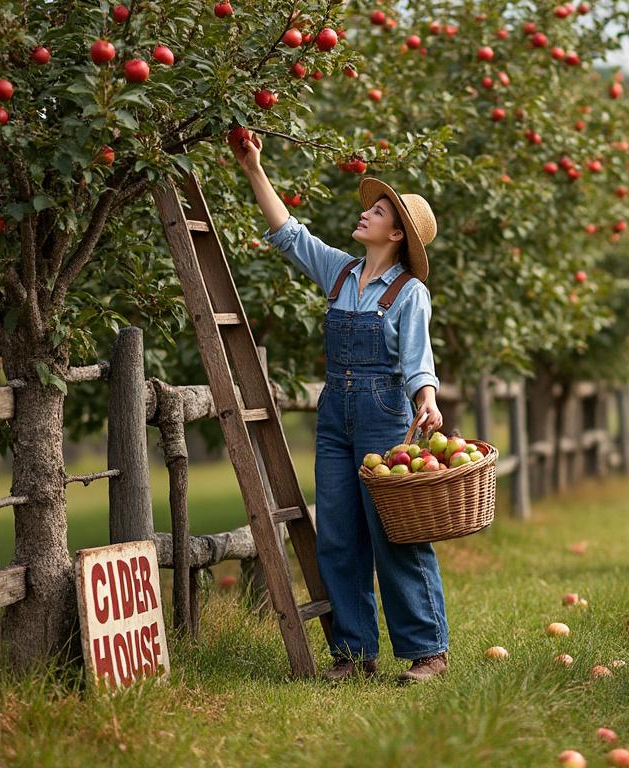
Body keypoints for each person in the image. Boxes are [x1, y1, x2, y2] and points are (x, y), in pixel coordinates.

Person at [230, 129, 450, 684]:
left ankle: (427, 652)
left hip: (383, 411)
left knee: (393, 532)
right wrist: (255, 167)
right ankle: (353, 654)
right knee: (338, 532)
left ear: (396, 233)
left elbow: (418, 361)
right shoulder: (343, 272)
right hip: (336, 415)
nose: (365, 215)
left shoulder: (409, 292)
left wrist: (426, 401)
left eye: (377, 212)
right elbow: (288, 234)